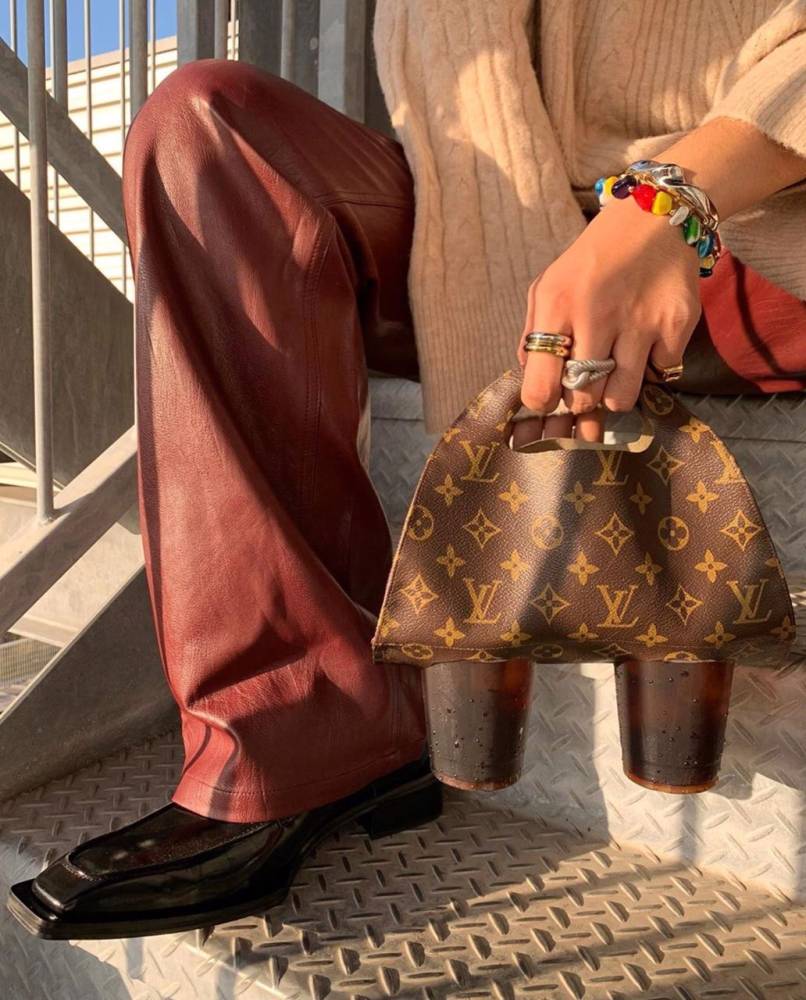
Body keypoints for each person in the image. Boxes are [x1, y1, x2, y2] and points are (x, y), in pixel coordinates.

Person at [9, 0, 806, 939]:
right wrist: (519, 332)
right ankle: (306, 730)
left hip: (744, 204)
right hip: (493, 224)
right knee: (206, 126)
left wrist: (662, 207)